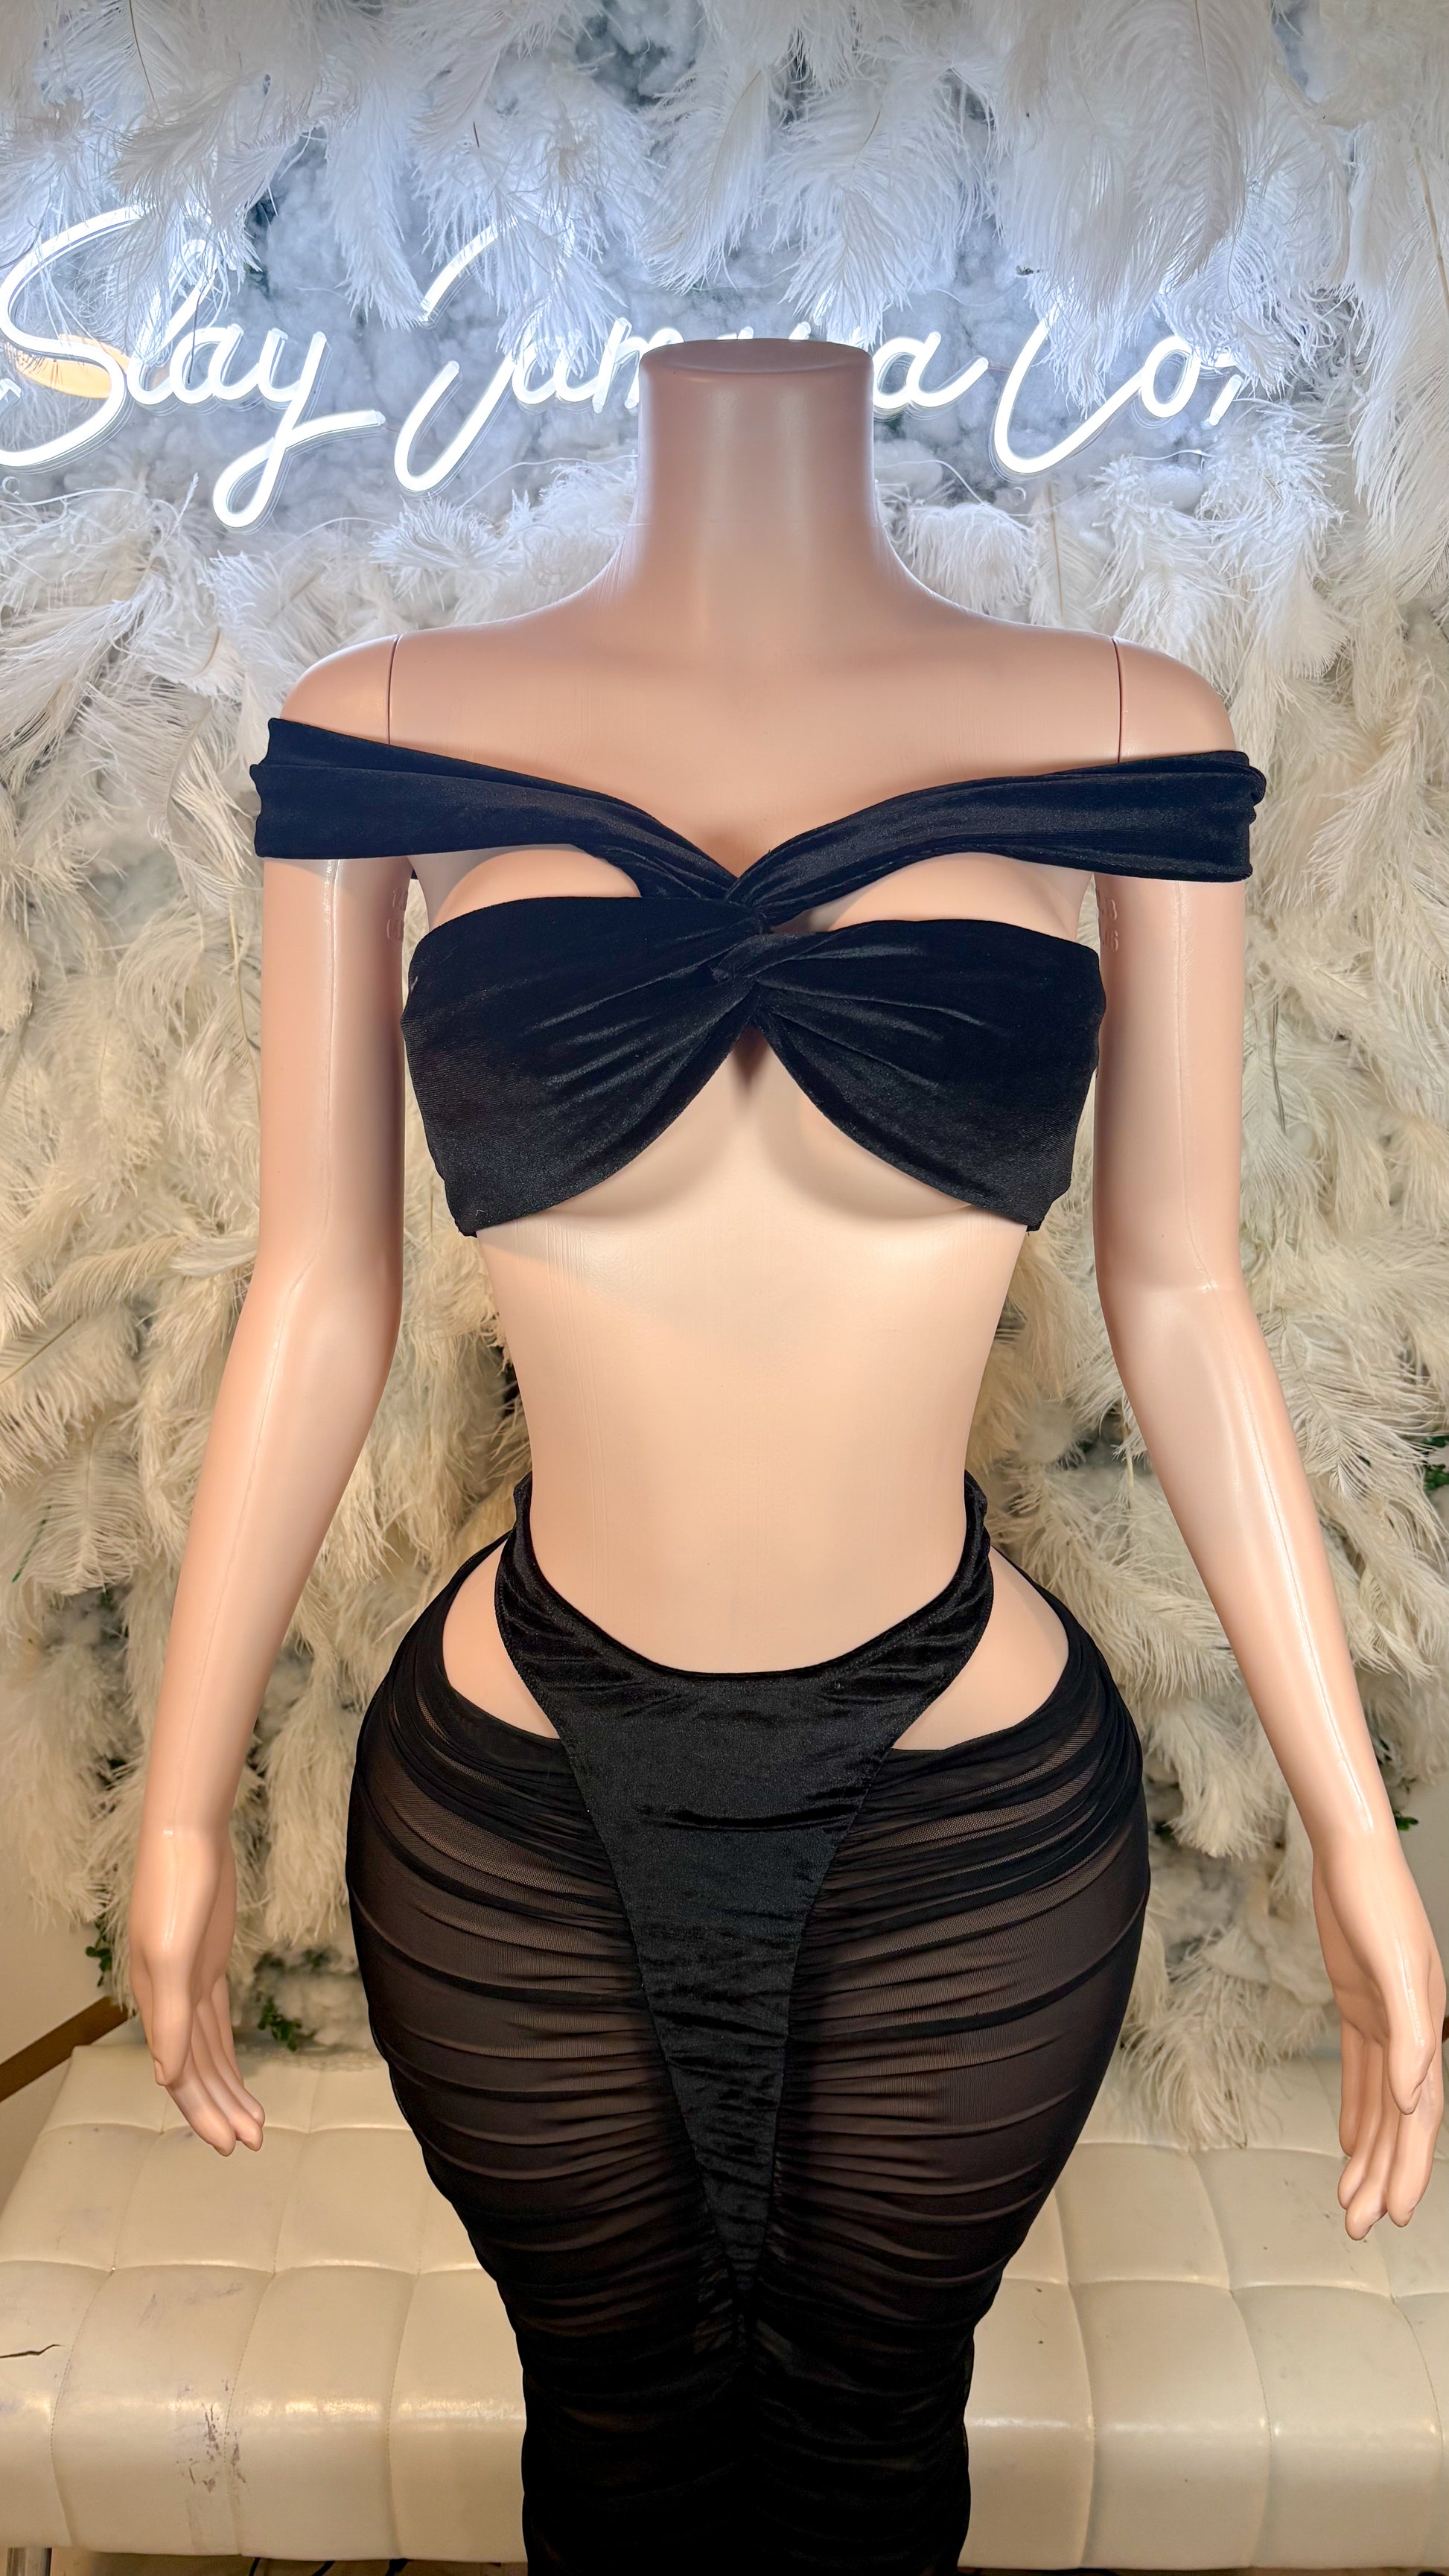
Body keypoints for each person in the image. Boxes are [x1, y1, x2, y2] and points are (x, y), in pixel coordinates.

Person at [129, 341, 1445, 2576]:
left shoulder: (1128, 732)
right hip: (516, 1790)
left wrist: (1351, 1820)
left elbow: (1185, 1294)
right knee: (606, 2448)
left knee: (870, 2455)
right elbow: (317, 1288)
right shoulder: (386, 723)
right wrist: (178, 1799)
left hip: (962, 1794)